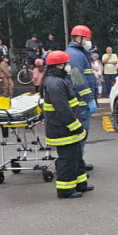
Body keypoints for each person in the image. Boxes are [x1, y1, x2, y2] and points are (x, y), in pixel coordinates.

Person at [42, 50, 92, 199]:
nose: (68, 66)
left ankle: (80, 184)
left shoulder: (58, 80)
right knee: (67, 160)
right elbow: (62, 109)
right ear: (59, 66)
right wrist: (75, 126)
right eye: (66, 64)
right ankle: (65, 190)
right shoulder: (55, 83)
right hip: (63, 130)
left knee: (76, 157)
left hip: (67, 129)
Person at [67, 25, 99, 172]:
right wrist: (89, 99)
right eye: (87, 39)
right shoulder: (75, 55)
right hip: (80, 103)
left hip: (82, 101)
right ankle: (77, 165)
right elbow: (78, 79)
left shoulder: (79, 53)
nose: (89, 42)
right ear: (78, 38)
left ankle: (79, 161)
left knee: (82, 134)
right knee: (79, 134)